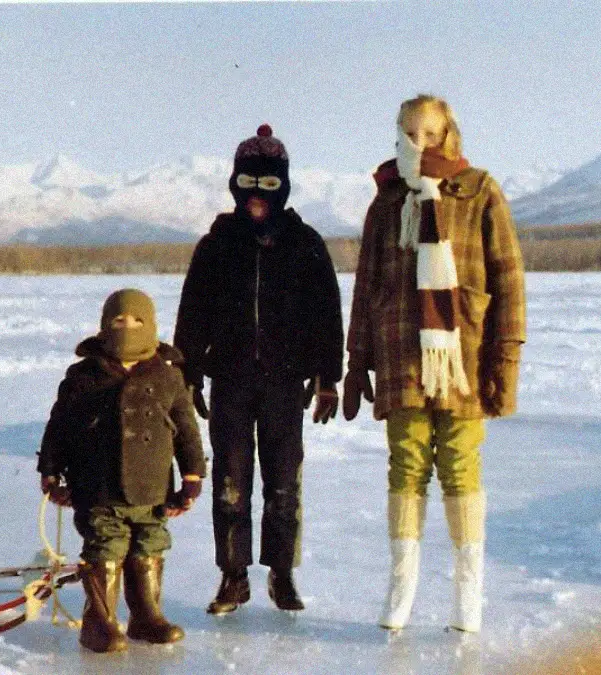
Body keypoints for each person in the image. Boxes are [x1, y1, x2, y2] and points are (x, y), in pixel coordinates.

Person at [343, 94, 526, 633]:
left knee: (460, 464)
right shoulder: (387, 199)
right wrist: (357, 360)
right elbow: (366, 285)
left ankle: (468, 594)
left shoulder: (480, 190)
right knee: (406, 462)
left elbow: (508, 280)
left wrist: (506, 360)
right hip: (400, 349)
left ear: (448, 134)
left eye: (429, 133)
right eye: (409, 133)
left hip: (462, 355)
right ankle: (401, 587)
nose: (418, 142)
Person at [174, 124, 343, 616]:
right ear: (234, 183)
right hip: (230, 380)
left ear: (283, 186)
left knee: (283, 482)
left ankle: (281, 573)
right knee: (230, 481)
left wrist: (327, 376)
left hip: (284, 383)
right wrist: (188, 373)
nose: (256, 196)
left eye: (268, 184)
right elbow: (193, 314)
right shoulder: (216, 245)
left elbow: (326, 315)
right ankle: (233, 575)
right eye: (248, 183)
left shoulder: (305, 244)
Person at [37, 288, 206, 653]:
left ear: (152, 325)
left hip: (153, 487)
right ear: (104, 325)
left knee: (150, 542)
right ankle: (99, 623)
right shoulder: (84, 375)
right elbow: (59, 426)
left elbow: (187, 431)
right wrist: (51, 472)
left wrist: (192, 476)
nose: (128, 328)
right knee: (106, 546)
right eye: (118, 321)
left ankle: (146, 617)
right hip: (98, 485)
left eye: (137, 321)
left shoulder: (168, 376)